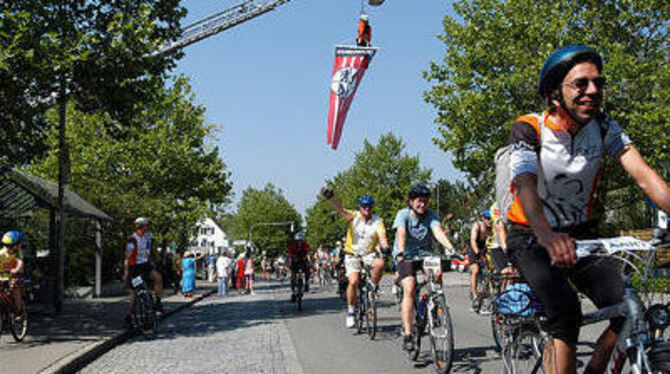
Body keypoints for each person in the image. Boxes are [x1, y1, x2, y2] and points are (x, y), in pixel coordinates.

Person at [507, 45, 670, 374]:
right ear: (555, 92)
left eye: (598, 83)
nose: (593, 91)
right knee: (565, 315)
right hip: (531, 236)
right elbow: (525, 186)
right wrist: (547, 236)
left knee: (627, 308)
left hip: (580, 235)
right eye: (580, 84)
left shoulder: (605, 127)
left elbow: (643, 176)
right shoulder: (529, 128)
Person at [393, 184, 457, 351]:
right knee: (410, 287)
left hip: (425, 255)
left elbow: (438, 232)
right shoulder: (403, 215)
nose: (423, 205)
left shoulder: (431, 215)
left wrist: (451, 249)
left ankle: (435, 305)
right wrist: (400, 251)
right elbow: (401, 233)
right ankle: (408, 334)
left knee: (437, 273)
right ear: (411, 201)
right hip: (405, 255)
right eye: (419, 201)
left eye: (425, 202)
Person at [321, 187, 390, 328]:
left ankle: (373, 287)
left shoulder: (378, 221)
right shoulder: (354, 216)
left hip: (368, 254)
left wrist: (385, 247)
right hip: (352, 254)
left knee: (380, 263)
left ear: (372, 207)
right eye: (364, 206)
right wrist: (331, 197)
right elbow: (340, 210)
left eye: (369, 206)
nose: (367, 209)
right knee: (353, 281)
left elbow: (382, 236)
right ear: (360, 207)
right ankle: (351, 311)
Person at [123, 217, 163, 325]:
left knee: (158, 278)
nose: (146, 228)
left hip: (145, 266)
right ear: (141, 227)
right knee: (134, 291)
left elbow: (147, 252)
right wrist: (126, 272)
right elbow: (127, 256)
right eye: (145, 226)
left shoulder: (146, 238)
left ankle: (158, 303)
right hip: (135, 268)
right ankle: (129, 315)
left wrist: (152, 263)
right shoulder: (132, 239)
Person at [0, 231, 27, 321]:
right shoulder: (1, 254)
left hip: (15, 276)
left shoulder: (18, 253)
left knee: (14, 286)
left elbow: (20, 262)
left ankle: (18, 310)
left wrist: (16, 270)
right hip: (2, 277)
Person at [468, 209, 491, 311]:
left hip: (485, 250)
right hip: (475, 250)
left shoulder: (492, 227)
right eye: (487, 219)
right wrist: (477, 252)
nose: (489, 221)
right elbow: (473, 240)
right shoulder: (477, 226)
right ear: (483, 218)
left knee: (491, 271)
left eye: (491, 218)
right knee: (476, 270)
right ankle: (475, 296)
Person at [287, 232, 311, 302]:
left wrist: (309, 260)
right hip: (295, 261)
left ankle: (307, 283)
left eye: (300, 241)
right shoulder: (292, 245)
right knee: (293, 276)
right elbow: (289, 255)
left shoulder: (305, 244)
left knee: (307, 269)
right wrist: (289, 262)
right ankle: (293, 291)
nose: (299, 242)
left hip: (303, 260)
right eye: (298, 241)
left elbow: (308, 252)